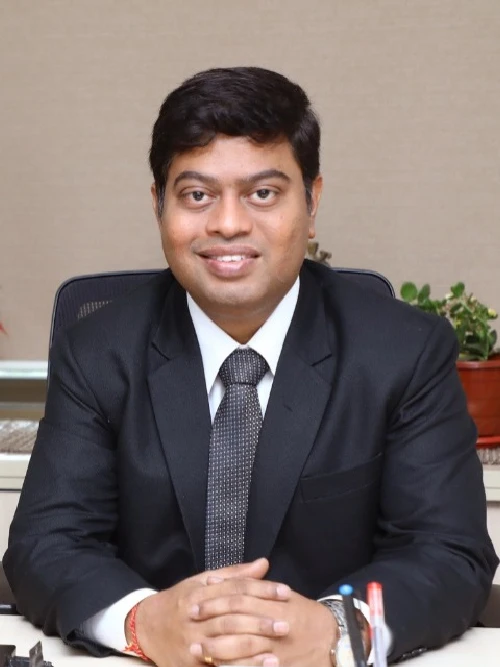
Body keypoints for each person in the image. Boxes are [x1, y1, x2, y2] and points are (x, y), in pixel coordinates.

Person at [3, 66, 497, 667]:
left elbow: (448, 551)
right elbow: (47, 544)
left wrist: (338, 630)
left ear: (312, 202)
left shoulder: (403, 351)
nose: (229, 224)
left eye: (263, 193)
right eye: (197, 195)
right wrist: (142, 621)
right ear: (158, 205)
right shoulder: (97, 351)